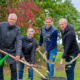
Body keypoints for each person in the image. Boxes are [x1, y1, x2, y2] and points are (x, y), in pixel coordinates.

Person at [0, 13, 22, 80]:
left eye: (14, 20)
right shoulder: (1, 25)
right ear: (8, 19)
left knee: (13, 69)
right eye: (11, 19)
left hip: (11, 50)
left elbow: (19, 41)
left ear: (16, 21)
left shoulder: (17, 29)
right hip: (0, 49)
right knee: (0, 68)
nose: (12, 21)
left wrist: (18, 54)